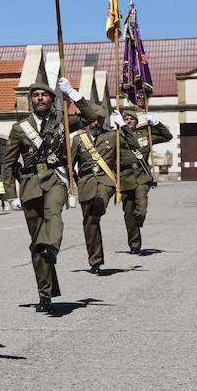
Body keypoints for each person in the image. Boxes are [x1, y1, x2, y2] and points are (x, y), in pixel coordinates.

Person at [1, 78, 101, 312]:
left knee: (53, 213)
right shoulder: (19, 128)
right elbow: (8, 164)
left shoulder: (63, 121)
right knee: (37, 244)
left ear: (52, 99)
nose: (39, 99)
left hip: (56, 179)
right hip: (29, 185)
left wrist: (74, 94)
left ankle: (53, 247)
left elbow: (89, 117)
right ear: (31, 100)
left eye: (44, 95)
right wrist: (9, 194)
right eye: (35, 95)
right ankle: (45, 293)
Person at [70, 112, 123, 275]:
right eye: (92, 120)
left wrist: (124, 127)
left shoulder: (113, 136)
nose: (95, 123)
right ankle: (95, 260)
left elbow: (133, 145)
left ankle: (100, 203)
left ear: (104, 120)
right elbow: (70, 163)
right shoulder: (78, 139)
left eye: (99, 119)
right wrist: (72, 182)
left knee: (100, 198)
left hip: (105, 179)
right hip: (86, 183)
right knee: (90, 223)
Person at [117, 106, 172, 255]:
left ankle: (140, 215)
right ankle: (134, 244)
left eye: (131, 119)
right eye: (126, 119)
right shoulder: (117, 136)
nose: (128, 121)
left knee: (141, 200)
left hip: (142, 174)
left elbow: (167, 136)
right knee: (129, 214)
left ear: (136, 121)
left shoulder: (145, 134)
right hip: (125, 177)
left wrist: (155, 123)